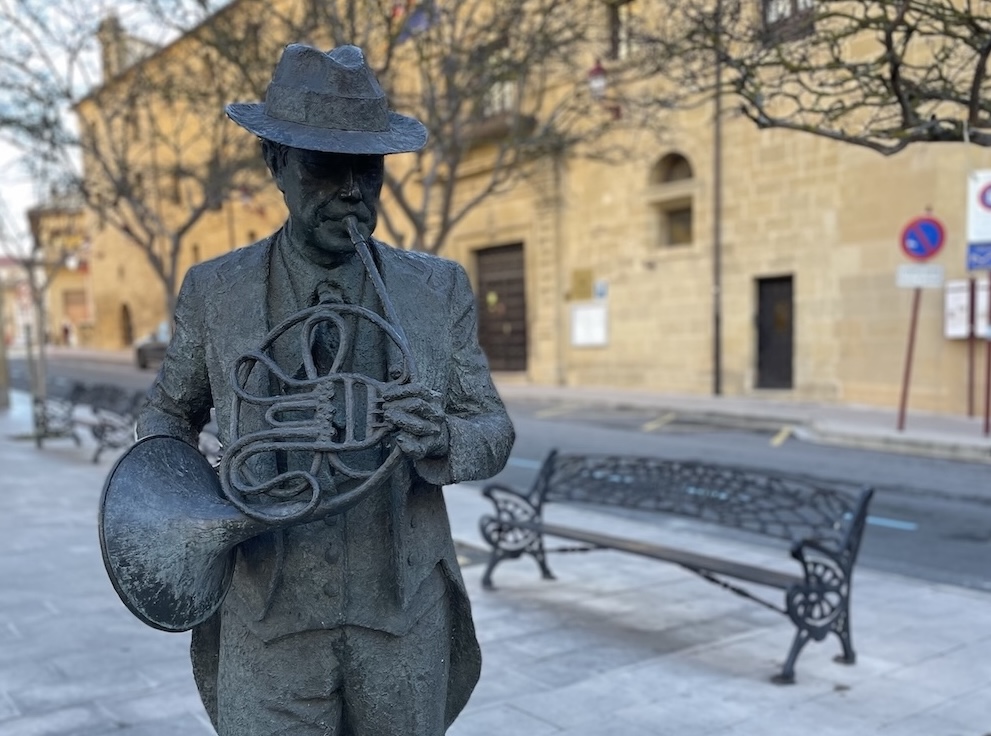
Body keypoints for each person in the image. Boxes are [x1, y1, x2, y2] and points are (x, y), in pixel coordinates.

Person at [136, 43, 514, 735]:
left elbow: (492, 430)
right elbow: (166, 414)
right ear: (275, 164)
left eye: (365, 170)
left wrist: (445, 438)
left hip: (401, 616)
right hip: (267, 614)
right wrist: (185, 502)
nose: (349, 191)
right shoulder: (215, 290)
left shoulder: (436, 290)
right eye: (322, 167)